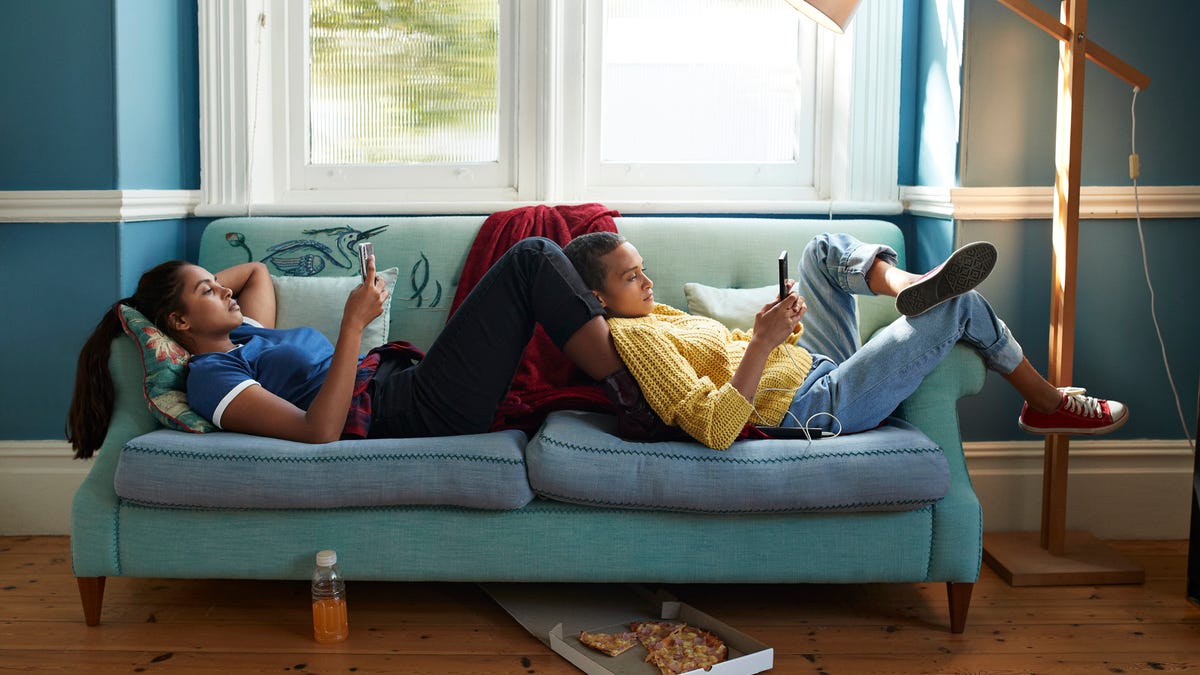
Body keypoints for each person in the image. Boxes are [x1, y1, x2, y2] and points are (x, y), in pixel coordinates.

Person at [563, 231, 1128, 450]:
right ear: (596, 297)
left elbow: (729, 356)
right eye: (631, 277)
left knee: (820, 250)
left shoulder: (655, 314)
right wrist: (761, 344)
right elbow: (713, 427)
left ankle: (910, 285)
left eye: (643, 268)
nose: (648, 281)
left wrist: (772, 328)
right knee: (962, 304)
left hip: (812, 367)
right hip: (811, 407)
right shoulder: (633, 339)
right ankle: (1045, 401)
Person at [67, 238, 628, 457]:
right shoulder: (212, 376)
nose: (224, 289)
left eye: (217, 283)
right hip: (407, 412)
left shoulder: (245, 333)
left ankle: (639, 371)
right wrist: (353, 325)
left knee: (554, 254)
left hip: (408, 385)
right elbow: (318, 431)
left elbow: (256, 271)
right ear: (179, 320)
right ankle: (635, 392)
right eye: (208, 291)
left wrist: (201, 297)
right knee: (532, 257)